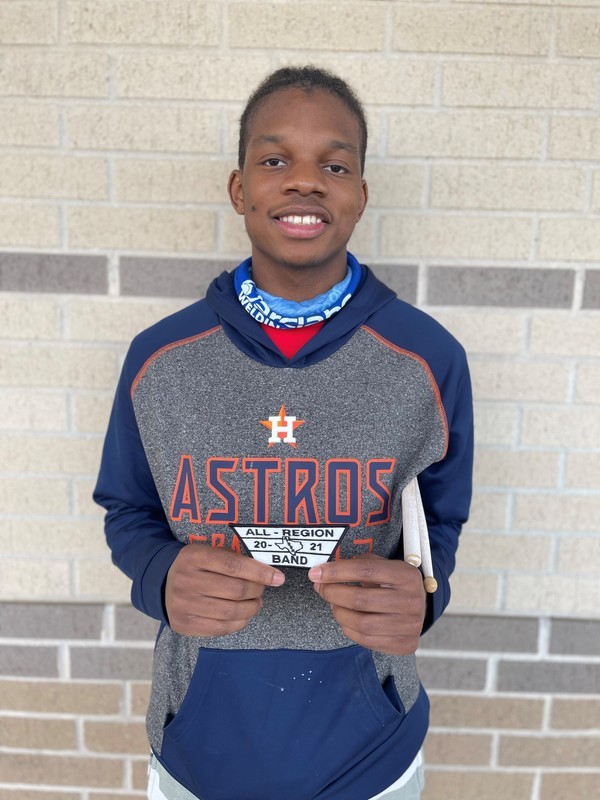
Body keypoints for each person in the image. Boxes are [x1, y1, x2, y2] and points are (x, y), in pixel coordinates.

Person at [94, 65, 473, 800]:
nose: (304, 181)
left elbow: (440, 524)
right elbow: (128, 511)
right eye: (275, 160)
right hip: (200, 744)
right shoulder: (160, 360)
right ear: (239, 189)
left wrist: (426, 598)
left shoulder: (429, 358)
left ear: (361, 195)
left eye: (334, 165)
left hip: (370, 754)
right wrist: (160, 575)